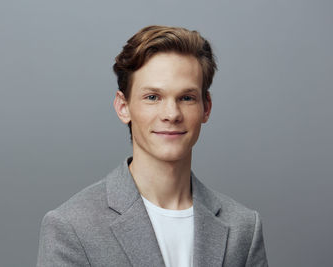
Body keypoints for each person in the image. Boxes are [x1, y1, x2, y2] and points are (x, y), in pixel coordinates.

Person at [37, 25, 268, 267]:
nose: (171, 114)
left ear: (206, 107)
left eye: (186, 97)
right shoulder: (72, 227)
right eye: (152, 97)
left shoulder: (244, 228)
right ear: (123, 106)